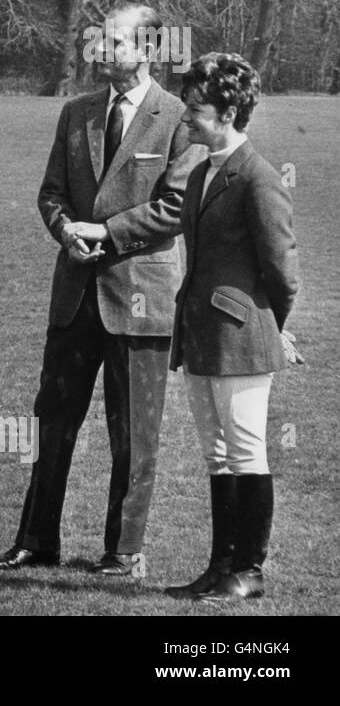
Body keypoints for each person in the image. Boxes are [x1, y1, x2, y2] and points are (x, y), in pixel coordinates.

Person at [0, 3, 202, 578]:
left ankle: (123, 550)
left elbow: (176, 207)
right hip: (76, 294)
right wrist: (64, 232)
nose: (100, 51)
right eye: (98, 41)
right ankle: (35, 540)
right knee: (52, 421)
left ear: (150, 50)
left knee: (133, 435)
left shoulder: (179, 118)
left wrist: (105, 231)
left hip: (141, 300)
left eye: (114, 42)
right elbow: (51, 192)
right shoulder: (76, 112)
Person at [165, 53, 300, 602]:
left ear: (227, 113)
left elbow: (282, 272)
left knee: (246, 451)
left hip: (241, 337)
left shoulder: (259, 179)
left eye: (195, 110)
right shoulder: (199, 173)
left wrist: (273, 329)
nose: (186, 120)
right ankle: (220, 567)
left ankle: (250, 570)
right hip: (199, 333)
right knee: (216, 453)